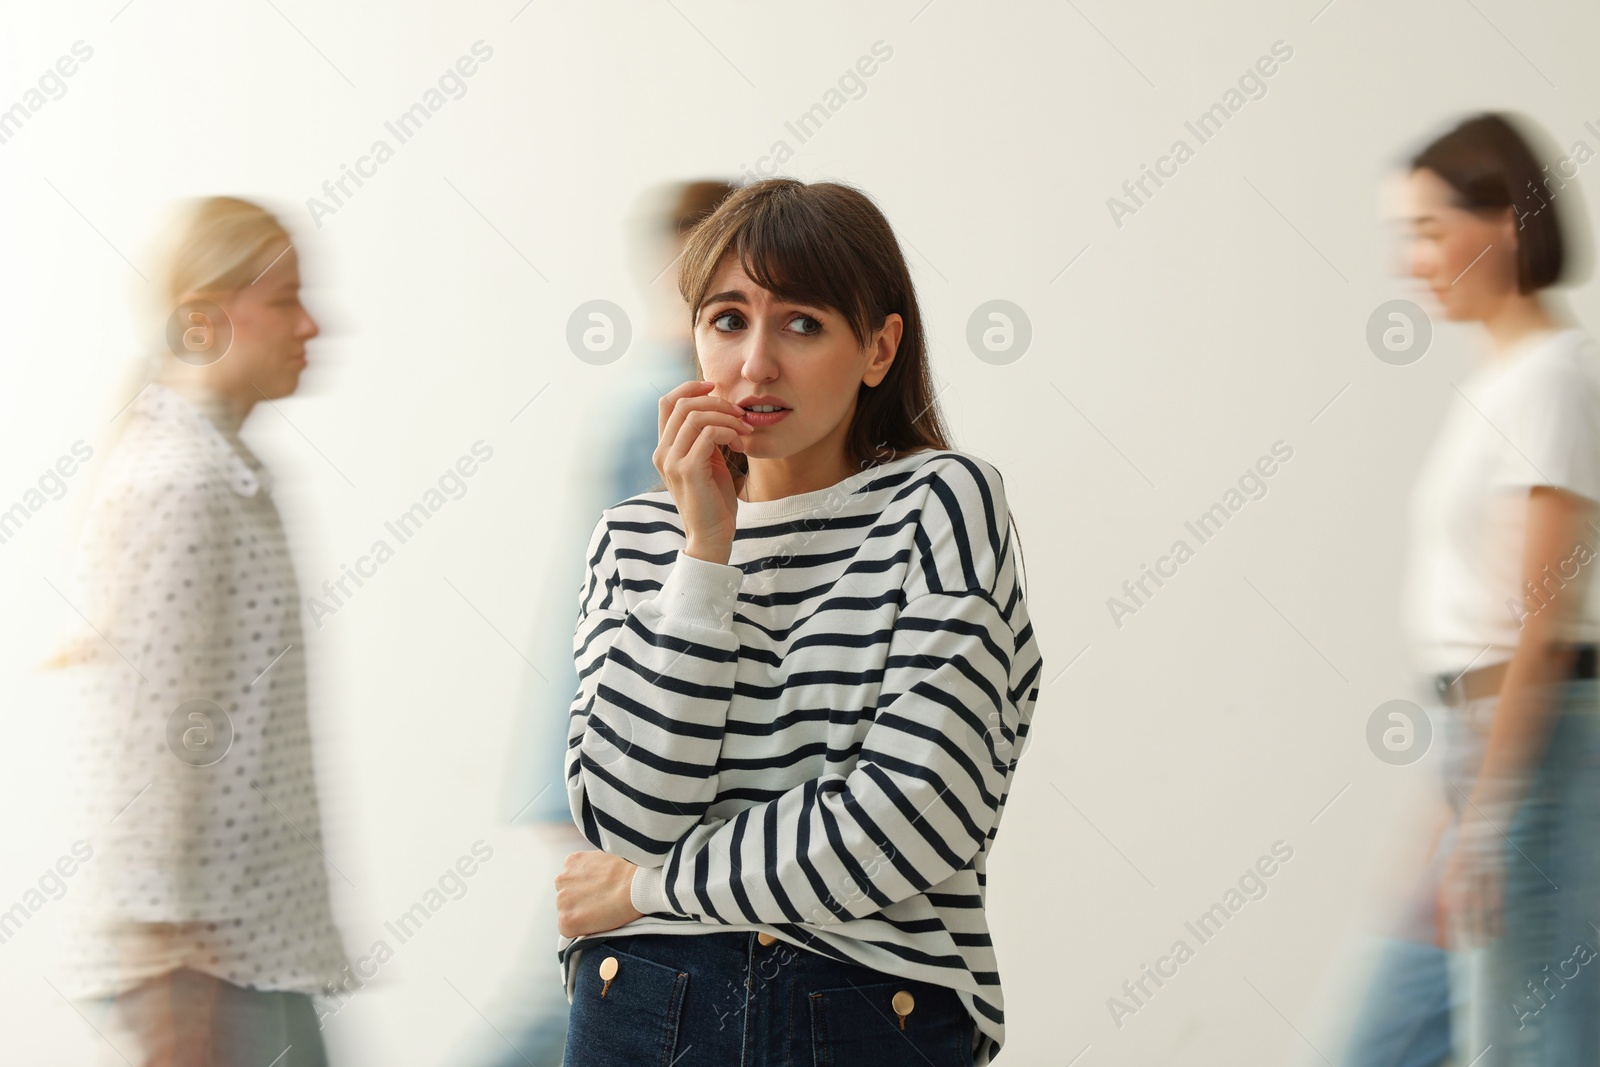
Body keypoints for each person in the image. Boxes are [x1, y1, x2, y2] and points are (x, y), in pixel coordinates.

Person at [550, 177, 1044, 1065]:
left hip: (855, 1008)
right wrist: (704, 554)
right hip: (639, 1004)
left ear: (879, 347)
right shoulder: (635, 537)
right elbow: (629, 820)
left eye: (803, 324)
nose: (755, 364)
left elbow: (911, 820)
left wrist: (650, 888)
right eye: (728, 319)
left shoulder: (939, 504)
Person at [48, 196, 350, 1066]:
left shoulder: (231, 474)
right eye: (286, 297)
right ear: (202, 319)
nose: (312, 322)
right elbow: (157, 749)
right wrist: (171, 978)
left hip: (251, 949)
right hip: (207, 970)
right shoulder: (179, 485)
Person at [1341, 112, 1600, 1065]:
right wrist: (1448, 813)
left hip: (1534, 754)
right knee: (1373, 1045)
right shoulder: (1498, 383)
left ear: (1505, 222)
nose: (1410, 260)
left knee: (1533, 1048)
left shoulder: (1555, 379)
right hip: (1476, 752)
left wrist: (1489, 819)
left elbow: (1539, 621)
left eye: (1426, 229)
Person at [466, 178, 734, 1067]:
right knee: (590, 990)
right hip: (623, 749)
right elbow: (644, 602)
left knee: (601, 984)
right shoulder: (671, 411)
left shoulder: (659, 399)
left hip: (606, 744)